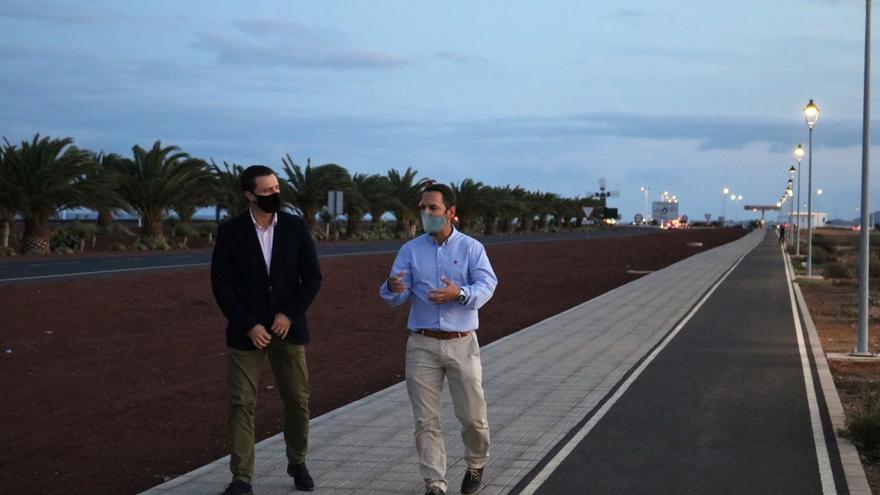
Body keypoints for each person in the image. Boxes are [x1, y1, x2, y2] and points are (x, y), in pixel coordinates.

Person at [379, 183, 498, 495]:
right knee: (425, 420)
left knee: (472, 416)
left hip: (462, 342)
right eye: (423, 208)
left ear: (451, 212)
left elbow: (487, 285)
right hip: (421, 343)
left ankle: (476, 463)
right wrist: (392, 287)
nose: (426, 213)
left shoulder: (471, 248)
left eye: (433, 208)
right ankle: (435, 482)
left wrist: (458, 293)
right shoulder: (410, 250)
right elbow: (394, 294)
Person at [211, 165, 323, 495]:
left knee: (297, 400)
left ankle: (297, 462)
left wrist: (289, 315)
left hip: (288, 330)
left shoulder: (294, 226)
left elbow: (313, 277)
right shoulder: (230, 231)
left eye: (277, 188)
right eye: (267, 191)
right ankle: (241, 477)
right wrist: (247, 325)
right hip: (246, 334)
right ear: (249, 195)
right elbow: (221, 284)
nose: (275, 195)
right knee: (241, 403)